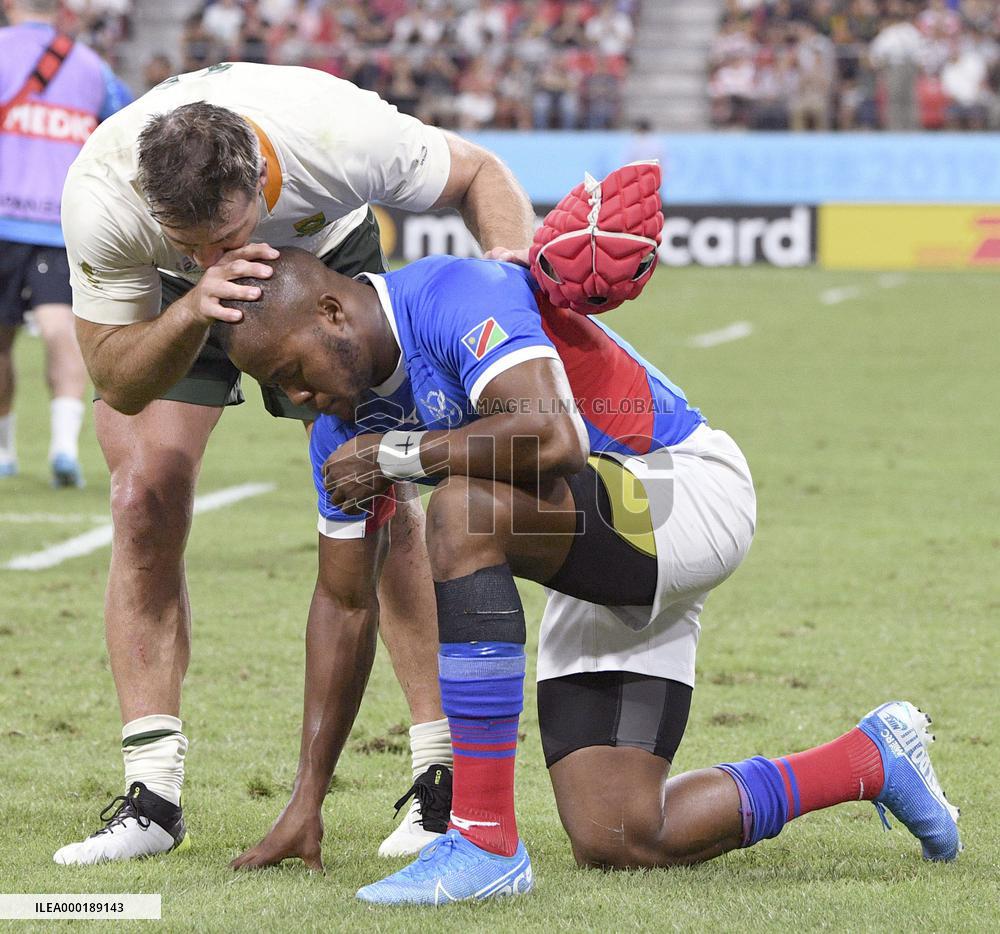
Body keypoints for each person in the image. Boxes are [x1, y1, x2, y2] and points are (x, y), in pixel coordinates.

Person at [216, 239, 959, 898]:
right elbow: (344, 605)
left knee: (462, 513)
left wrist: (400, 456)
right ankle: (871, 758)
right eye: (277, 391)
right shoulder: (341, 435)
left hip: (681, 486)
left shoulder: (449, 294)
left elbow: (554, 437)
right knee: (622, 834)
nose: (298, 398)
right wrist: (306, 799)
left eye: (293, 371)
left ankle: (481, 841)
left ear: (333, 312)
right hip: (600, 545)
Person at [54, 61, 535, 866]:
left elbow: (479, 173)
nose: (219, 253)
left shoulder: (336, 133)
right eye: (194, 239)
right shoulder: (104, 195)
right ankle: (153, 794)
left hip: (323, 259)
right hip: (172, 302)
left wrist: (514, 284)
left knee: (384, 490)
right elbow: (115, 380)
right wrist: (193, 295)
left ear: (261, 177)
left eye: (230, 235)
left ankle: (438, 774)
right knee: (144, 497)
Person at [0, 0, 131, 485]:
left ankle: (7, 450)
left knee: (2, 341)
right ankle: (62, 447)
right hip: (62, 223)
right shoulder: (91, 66)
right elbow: (126, 129)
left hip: (4, 222)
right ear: (59, 10)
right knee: (61, 331)